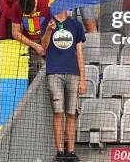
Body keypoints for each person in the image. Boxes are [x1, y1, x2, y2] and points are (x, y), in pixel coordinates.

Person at [41, 11, 85, 162]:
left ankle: (71, 152)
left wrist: (83, 78)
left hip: (73, 74)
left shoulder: (76, 25)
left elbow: (79, 52)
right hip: (54, 73)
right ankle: (60, 152)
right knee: (58, 113)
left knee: (71, 113)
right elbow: (43, 47)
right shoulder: (48, 22)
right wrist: (48, 30)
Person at [11, 0, 49, 81]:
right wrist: (35, 46)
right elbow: (15, 33)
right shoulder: (17, 7)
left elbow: (55, 26)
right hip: (31, 43)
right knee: (34, 75)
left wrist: (45, 44)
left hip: (48, 39)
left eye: (32, 13)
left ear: (35, 4)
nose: (31, 16)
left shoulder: (47, 3)